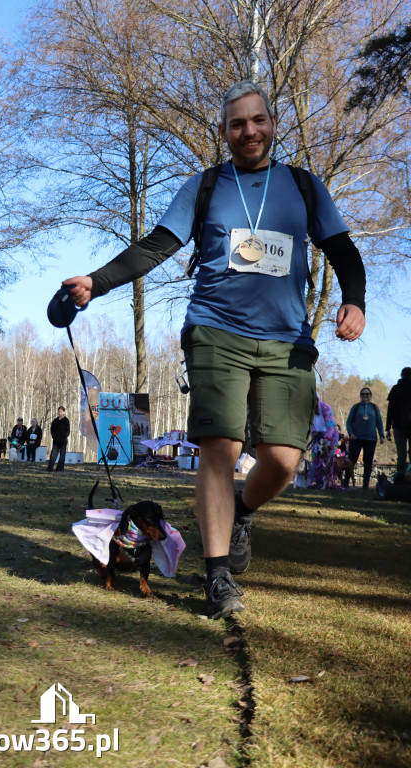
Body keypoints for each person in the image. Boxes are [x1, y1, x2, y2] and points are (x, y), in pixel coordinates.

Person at [63, 81, 366, 619]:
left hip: (286, 338)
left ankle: (243, 511)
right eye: (236, 124)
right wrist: (97, 282)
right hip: (214, 330)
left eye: (257, 121)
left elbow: (341, 248)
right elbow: (157, 246)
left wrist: (355, 302)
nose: (248, 131)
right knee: (219, 447)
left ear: (272, 125)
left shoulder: (302, 186)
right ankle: (218, 574)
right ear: (224, 133)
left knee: (283, 459)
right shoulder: (204, 187)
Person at [346, 387, 384, 489]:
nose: (365, 396)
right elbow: (348, 422)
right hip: (356, 439)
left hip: (371, 439)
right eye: (363, 394)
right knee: (351, 461)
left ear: (370, 396)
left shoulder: (375, 408)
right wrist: (351, 434)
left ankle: (365, 485)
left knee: (368, 462)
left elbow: (379, 423)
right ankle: (345, 483)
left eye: (367, 394)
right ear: (360, 396)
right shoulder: (356, 407)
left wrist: (381, 436)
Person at [308, 398, 339, 488]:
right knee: (315, 457)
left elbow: (331, 424)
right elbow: (311, 425)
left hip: (330, 435)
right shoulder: (309, 410)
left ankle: (328, 482)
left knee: (328, 459)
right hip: (318, 435)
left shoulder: (325, 407)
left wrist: (327, 438)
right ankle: (318, 481)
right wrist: (314, 432)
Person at [385, 367, 411, 473]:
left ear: (401, 376)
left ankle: (400, 478)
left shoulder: (395, 389)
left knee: (401, 455)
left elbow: (390, 410)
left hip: (398, 426)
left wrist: (387, 428)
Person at [47, 406, 70, 472]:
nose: (59, 413)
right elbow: (52, 430)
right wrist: (54, 437)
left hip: (63, 440)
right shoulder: (55, 421)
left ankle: (60, 468)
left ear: (64, 412)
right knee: (53, 455)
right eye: (59, 411)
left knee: (62, 455)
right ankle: (50, 468)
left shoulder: (66, 421)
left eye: (61, 412)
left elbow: (67, 431)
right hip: (56, 441)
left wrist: (64, 436)